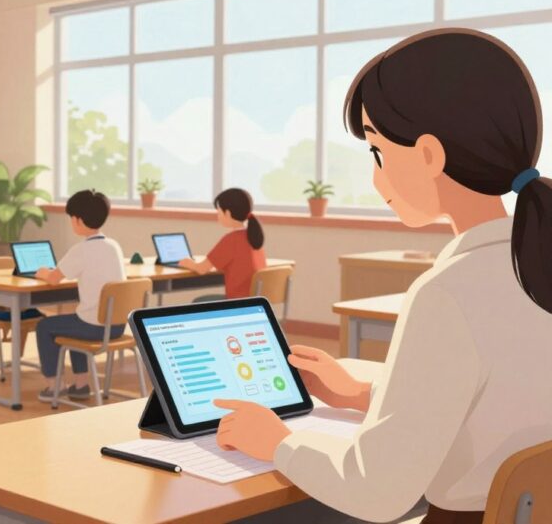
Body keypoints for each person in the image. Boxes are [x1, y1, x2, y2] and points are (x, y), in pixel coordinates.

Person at [216, 29, 552, 524]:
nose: (376, 177)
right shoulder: (529, 266)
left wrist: (280, 443)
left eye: (377, 152)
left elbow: (376, 492)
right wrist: (358, 394)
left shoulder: (447, 294)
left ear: (430, 155)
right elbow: (499, 406)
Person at [34, 189, 126, 402]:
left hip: (94, 327)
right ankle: (81, 385)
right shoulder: (114, 246)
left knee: (45, 326)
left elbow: (54, 278)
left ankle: (53, 386)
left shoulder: (81, 249)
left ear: (77, 220)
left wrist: (41, 272)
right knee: (76, 320)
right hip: (117, 325)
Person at [179, 187, 266, 300]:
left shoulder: (231, 240)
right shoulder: (254, 238)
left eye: (219, 211)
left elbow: (202, 269)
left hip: (237, 303)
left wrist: (188, 263)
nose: (217, 215)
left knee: (199, 302)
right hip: (253, 302)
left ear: (228, 213)